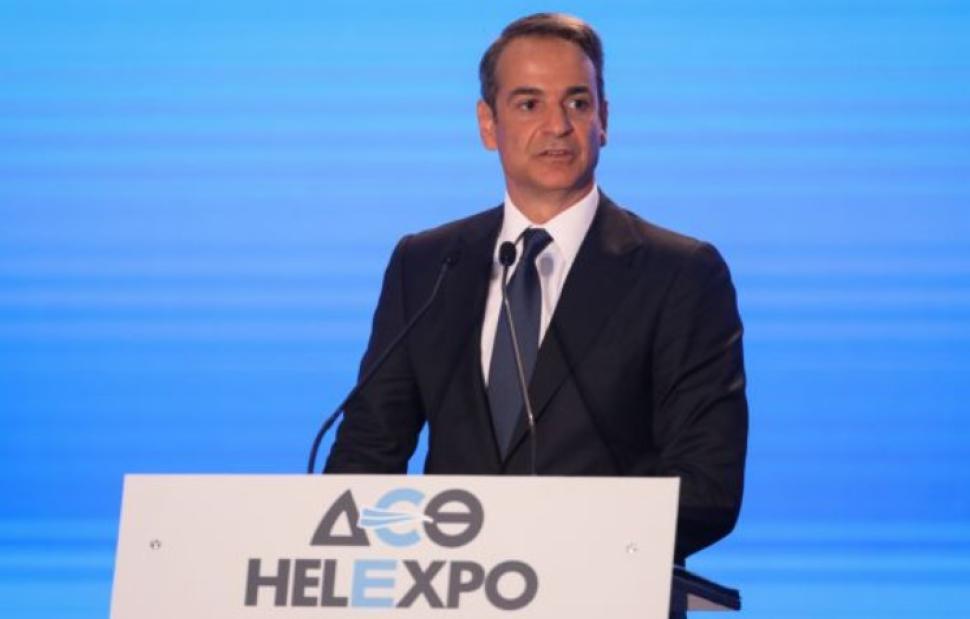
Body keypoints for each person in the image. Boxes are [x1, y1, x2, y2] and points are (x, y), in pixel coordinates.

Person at [325, 12, 748, 565]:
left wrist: (554, 548)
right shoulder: (427, 264)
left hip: (603, 585)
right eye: (529, 104)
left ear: (603, 120)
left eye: (577, 102)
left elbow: (707, 487)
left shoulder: (680, 273)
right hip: (449, 588)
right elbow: (366, 454)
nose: (557, 126)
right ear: (488, 124)